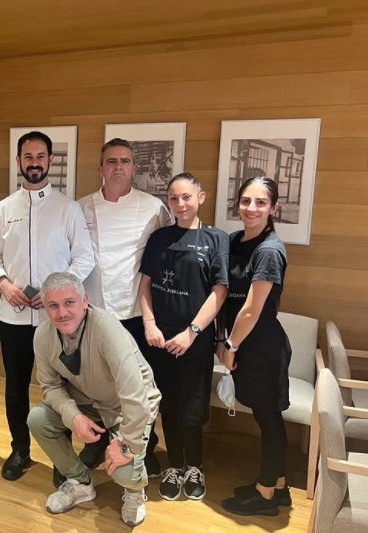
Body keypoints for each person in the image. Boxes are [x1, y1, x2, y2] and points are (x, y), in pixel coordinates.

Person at [0, 131, 94, 481]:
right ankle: (19, 449)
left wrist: (56, 293)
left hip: (56, 319)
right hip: (13, 316)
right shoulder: (4, 208)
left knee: (61, 390)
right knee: (15, 387)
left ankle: (62, 458)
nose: (34, 162)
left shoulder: (67, 208)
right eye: (27, 156)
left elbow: (85, 257)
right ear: (18, 162)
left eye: (40, 156)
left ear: (50, 160)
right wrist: (3, 283)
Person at [28, 272, 160, 527]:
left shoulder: (107, 328)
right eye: (53, 305)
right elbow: (50, 385)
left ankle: (134, 492)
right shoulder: (42, 336)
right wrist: (72, 415)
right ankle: (79, 484)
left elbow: (135, 395)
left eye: (69, 302)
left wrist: (127, 446)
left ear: (84, 300)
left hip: (130, 406)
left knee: (123, 470)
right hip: (88, 402)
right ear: (45, 307)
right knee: (38, 419)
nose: (62, 312)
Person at [77, 138, 172, 476]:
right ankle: (96, 442)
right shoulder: (82, 207)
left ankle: (146, 443)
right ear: (101, 168)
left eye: (125, 161)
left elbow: (163, 258)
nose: (118, 166)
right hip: (93, 315)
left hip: (134, 313)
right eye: (111, 161)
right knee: (94, 386)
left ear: (135, 168)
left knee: (139, 386)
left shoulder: (153, 207)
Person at [137, 173, 229, 501]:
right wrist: (149, 324)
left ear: (201, 197)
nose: (180, 204)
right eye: (174, 198)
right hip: (159, 338)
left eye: (187, 197)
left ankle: (195, 466)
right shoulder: (160, 237)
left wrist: (191, 333)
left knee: (192, 407)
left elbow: (219, 291)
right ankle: (174, 465)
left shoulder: (217, 239)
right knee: (167, 404)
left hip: (194, 340)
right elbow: (145, 283)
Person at [219, 177, 292, 517]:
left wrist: (230, 344)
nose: (252, 208)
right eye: (246, 201)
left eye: (261, 202)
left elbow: (251, 308)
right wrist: (225, 339)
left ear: (273, 207)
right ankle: (277, 487)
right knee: (266, 416)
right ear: (238, 203)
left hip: (262, 346)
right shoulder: (235, 241)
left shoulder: (269, 250)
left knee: (269, 418)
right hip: (246, 343)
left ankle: (264, 497)